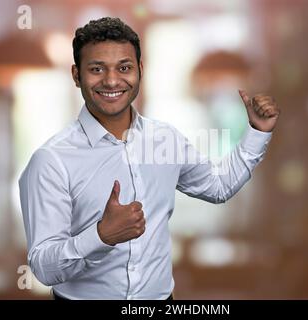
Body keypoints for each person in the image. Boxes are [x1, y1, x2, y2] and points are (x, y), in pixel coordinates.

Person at [18, 17, 280, 300]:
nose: (112, 80)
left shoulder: (165, 139)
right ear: (76, 75)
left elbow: (218, 187)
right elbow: (44, 268)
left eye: (124, 68)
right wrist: (100, 236)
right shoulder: (50, 161)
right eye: (96, 69)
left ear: (140, 71)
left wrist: (257, 132)